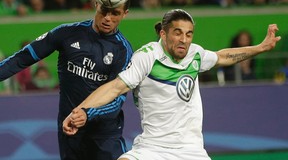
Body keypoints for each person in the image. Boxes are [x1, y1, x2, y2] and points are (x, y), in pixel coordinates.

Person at [62, 9, 281, 160]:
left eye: (188, 34)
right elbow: (115, 87)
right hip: (152, 149)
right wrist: (81, 109)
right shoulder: (147, 56)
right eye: (178, 33)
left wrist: (261, 47)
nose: (184, 40)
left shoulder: (195, 55)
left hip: (191, 151)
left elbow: (223, 56)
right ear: (163, 33)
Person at [0, 0, 133, 160]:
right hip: (70, 129)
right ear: (95, 3)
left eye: (115, 14)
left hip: (104, 135)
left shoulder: (123, 51)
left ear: (125, 14)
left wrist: (88, 113)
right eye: (104, 10)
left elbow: (117, 100)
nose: (108, 18)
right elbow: (22, 58)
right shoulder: (67, 34)